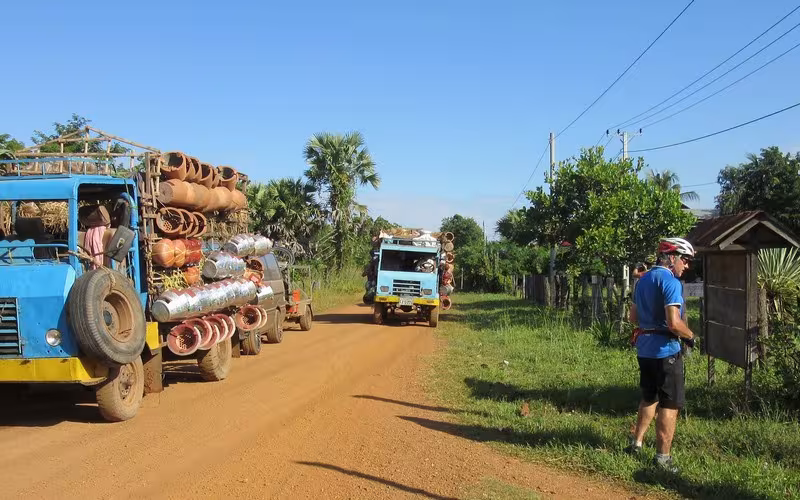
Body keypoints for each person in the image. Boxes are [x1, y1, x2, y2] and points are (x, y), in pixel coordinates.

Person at [626, 237, 696, 472]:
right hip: (666, 352)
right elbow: (674, 323)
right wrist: (691, 336)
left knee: (649, 397)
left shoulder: (642, 281)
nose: (687, 265)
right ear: (672, 258)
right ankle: (662, 459)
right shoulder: (671, 282)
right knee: (670, 404)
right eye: (685, 259)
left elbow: (632, 318)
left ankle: (636, 444)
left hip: (644, 349)